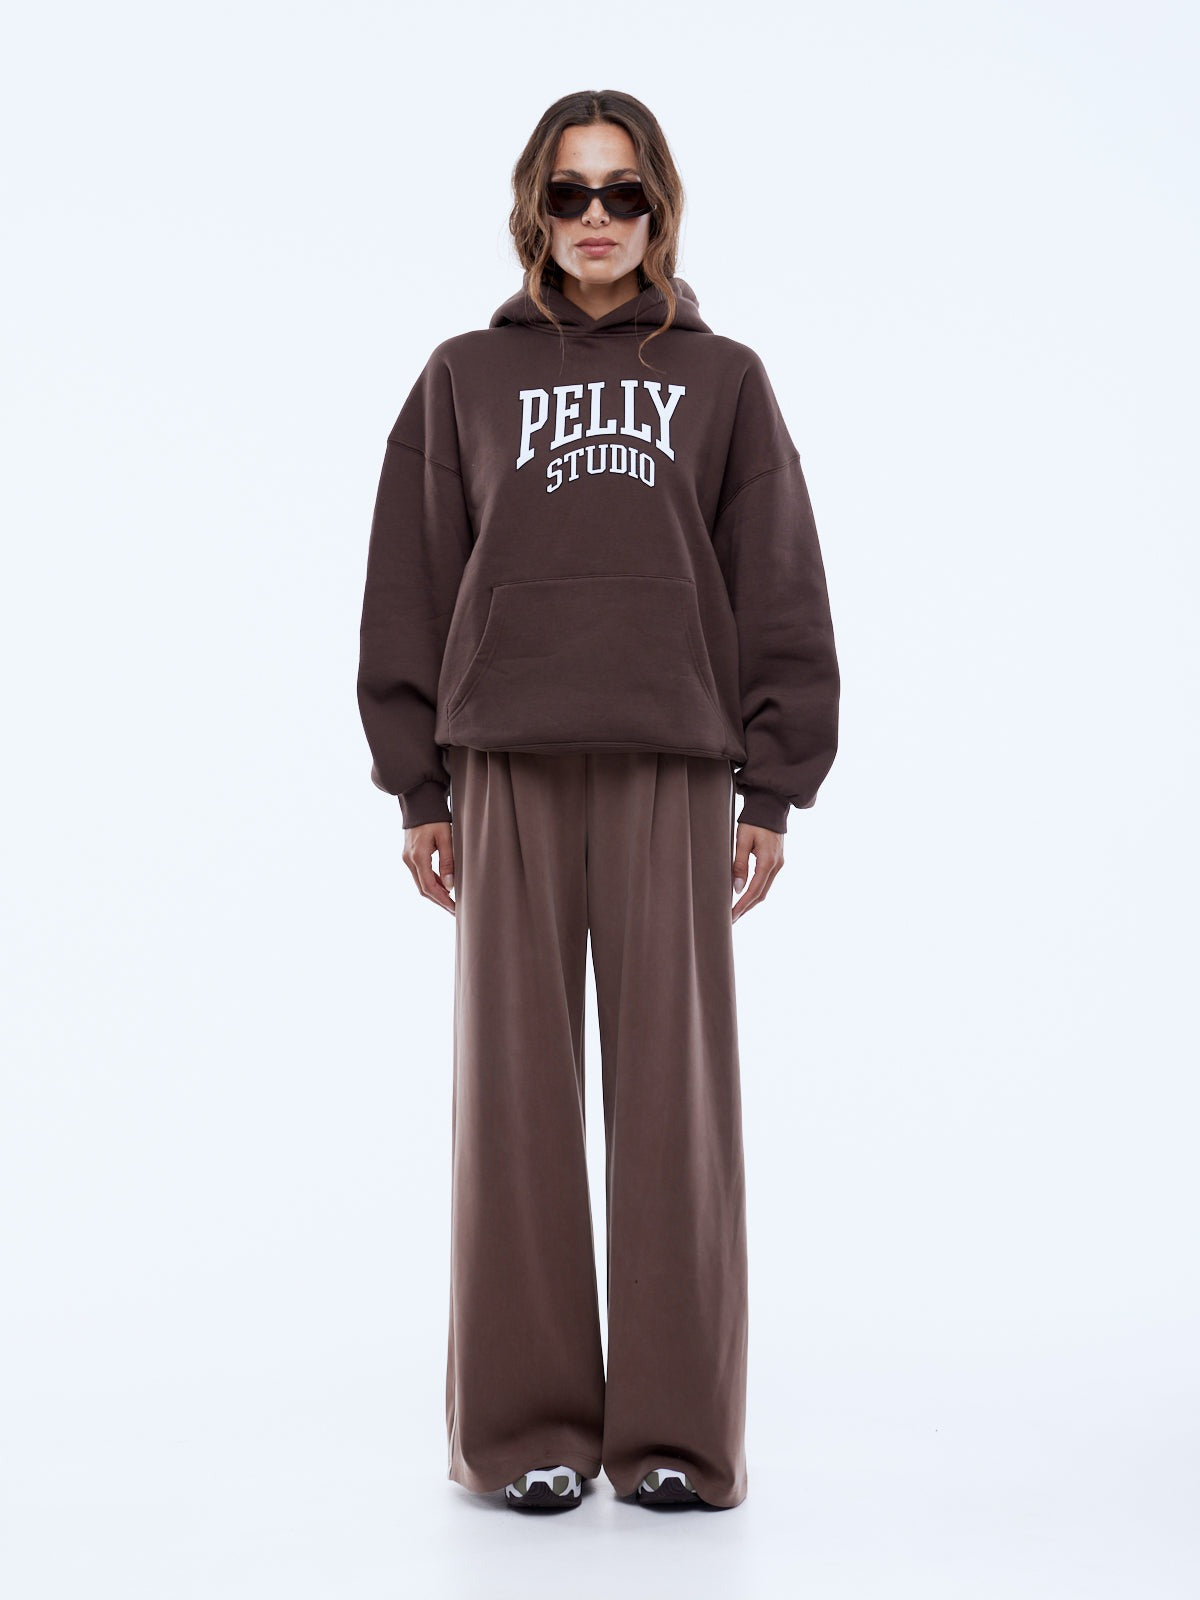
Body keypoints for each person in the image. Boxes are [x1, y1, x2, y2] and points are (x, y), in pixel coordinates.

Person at [356, 89, 840, 1514]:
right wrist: (416, 782)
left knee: (675, 1110)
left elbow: (777, 580)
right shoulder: (464, 377)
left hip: (673, 767)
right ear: (534, 210)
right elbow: (410, 577)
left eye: (622, 193)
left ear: (659, 209)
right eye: (569, 194)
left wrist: (774, 785)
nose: (596, 220)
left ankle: (677, 1436)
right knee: (514, 1108)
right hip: (502, 765)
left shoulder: (726, 379)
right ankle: (528, 1436)